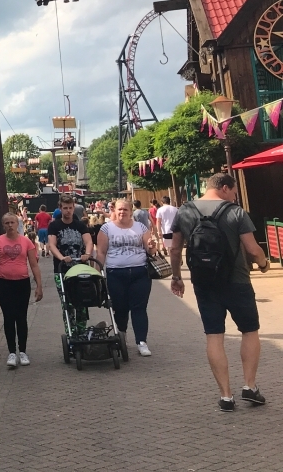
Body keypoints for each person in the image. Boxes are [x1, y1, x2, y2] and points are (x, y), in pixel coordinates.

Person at [171, 173, 269, 411]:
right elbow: (252, 248)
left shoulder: (184, 211)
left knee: (214, 335)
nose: (235, 196)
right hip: (237, 281)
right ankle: (250, 386)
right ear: (225, 188)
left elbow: (174, 250)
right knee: (249, 331)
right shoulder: (236, 212)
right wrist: (264, 264)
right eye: (234, 192)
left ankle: (226, 396)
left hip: (204, 283)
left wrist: (176, 277)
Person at [96, 199, 157, 357]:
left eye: (125, 209)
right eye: (119, 209)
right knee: (120, 308)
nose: (122, 212)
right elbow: (101, 252)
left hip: (140, 273)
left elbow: (150, 251)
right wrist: (97, 274)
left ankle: (141, 342)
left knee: (139, 308)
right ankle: (121, 337)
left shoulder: (140, 227)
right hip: (116, 273)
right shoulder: (106, 228)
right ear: (114, 210)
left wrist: (152, 247)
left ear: (131, 211)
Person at [0, 213, 43, 368]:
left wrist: (39, 285)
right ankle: (12, 352)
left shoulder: (25, 241)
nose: (10, 225)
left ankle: (23, 351)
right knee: (8, 317)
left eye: (12, 222)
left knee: (21, 317)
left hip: (22, 282)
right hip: (3, 282)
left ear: (17, 224)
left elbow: (33, 264)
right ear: (3, 225)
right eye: (7, 223)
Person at [48, 194, 93, 274]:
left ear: (73, 208)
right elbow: (52, 245)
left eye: (70, 208)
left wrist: (87, 254)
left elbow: (88, 241)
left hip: (81, 267)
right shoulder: (53, 226)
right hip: (61, 268)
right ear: (60, 209)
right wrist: (62, 258)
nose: (68, 210)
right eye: (65, 208)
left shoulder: (81, 225)